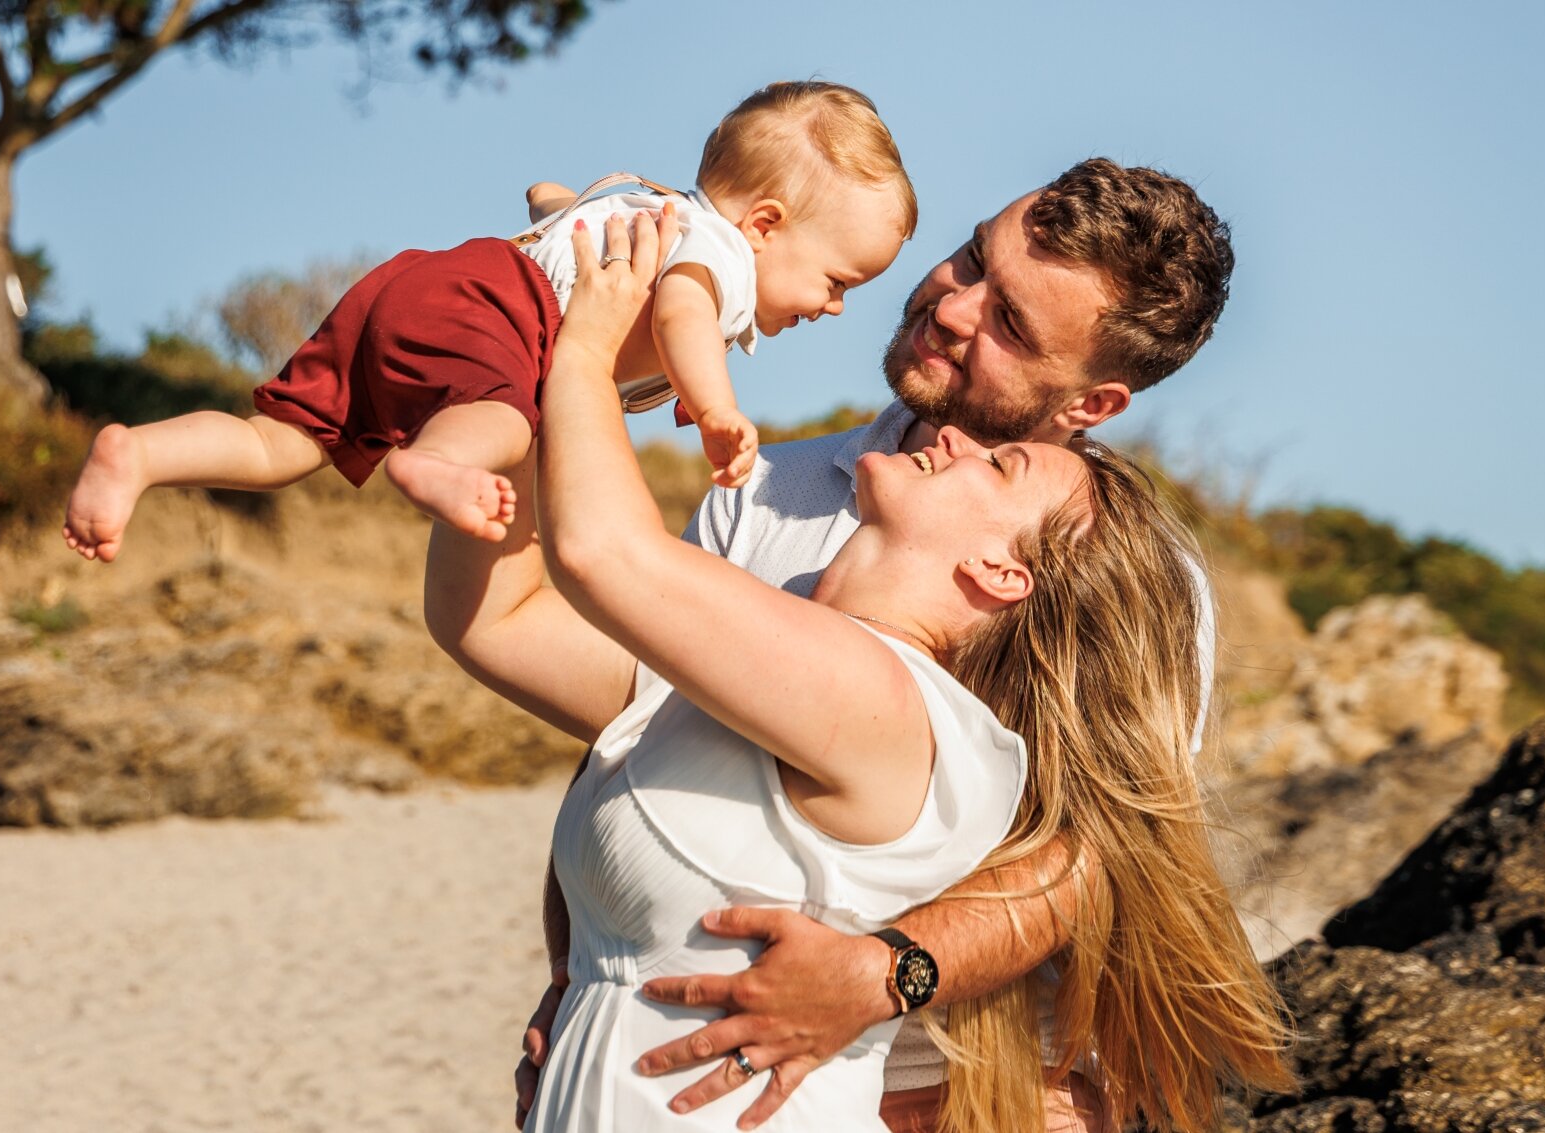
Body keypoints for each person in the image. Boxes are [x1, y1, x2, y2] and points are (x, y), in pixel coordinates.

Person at [429, 209, 1291, 1131]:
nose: (954, 306)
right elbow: (622, 729)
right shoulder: (759, 489)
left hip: (965, 1093)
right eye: (971, 261)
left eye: (1011, 323)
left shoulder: (1118, 586)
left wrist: (885, 974)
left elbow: (1096, 850)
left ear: (1091, 403)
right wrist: (584, 977)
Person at [60, 81, 915, 563]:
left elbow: (552, 198)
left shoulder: (646, 201)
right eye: (838, 280)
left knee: (283, 441)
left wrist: (559, 213)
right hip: (499, 311)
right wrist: (716, 404)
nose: (834, 306)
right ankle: (431, 462)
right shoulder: (718, 256)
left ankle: (139, 452)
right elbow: (687, 309)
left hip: (419, 283)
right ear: (764, 225)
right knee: (507, 420)